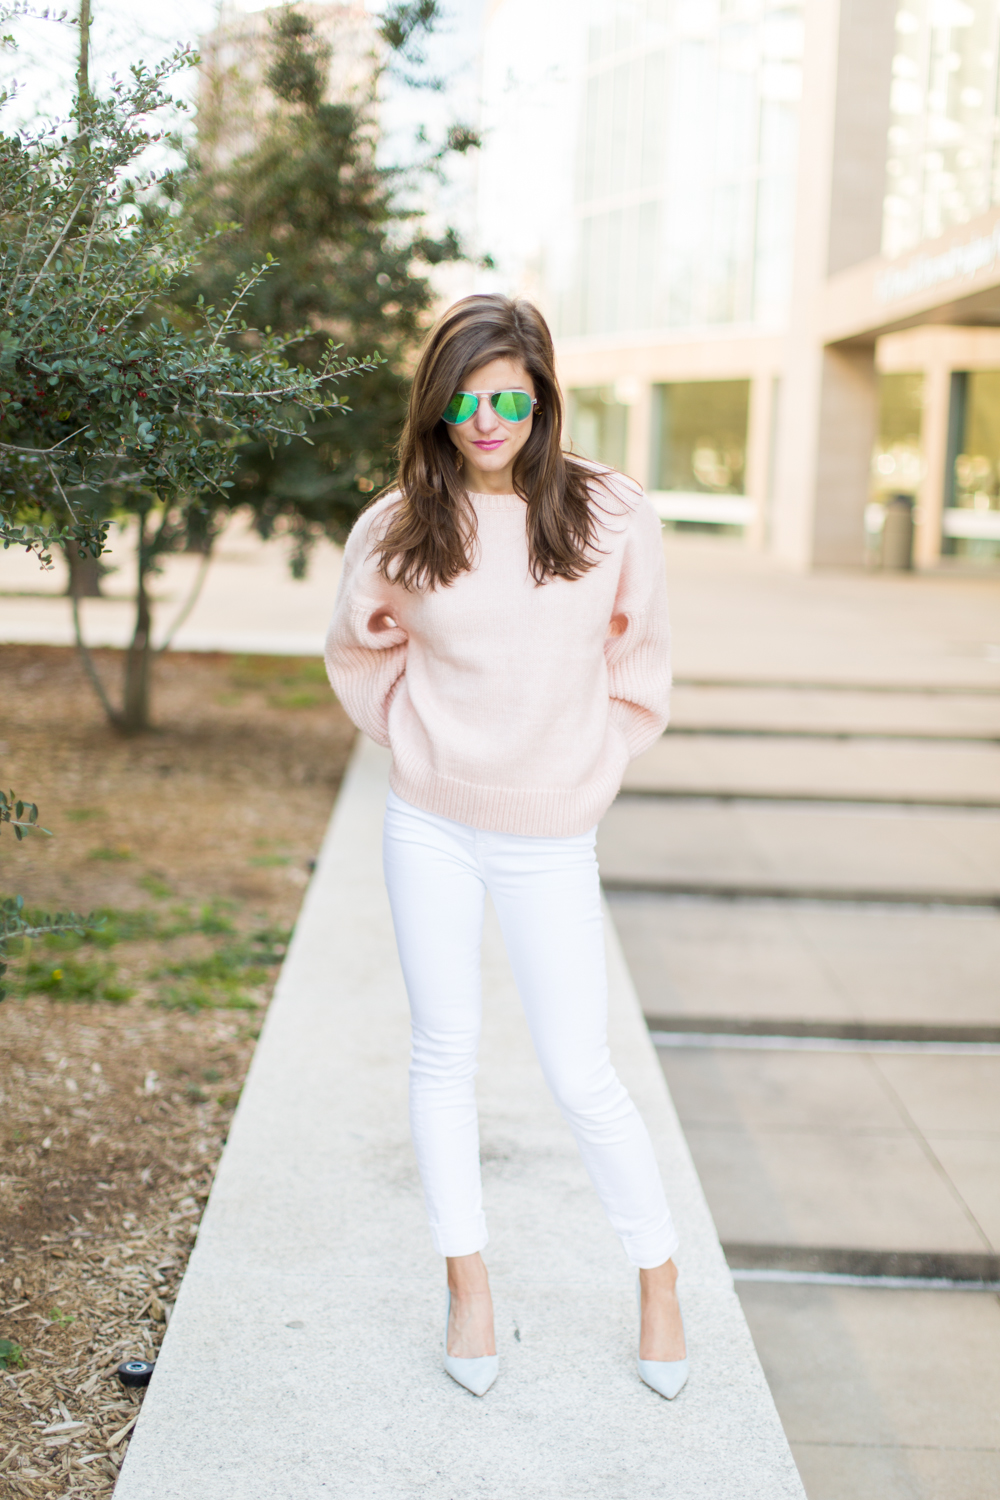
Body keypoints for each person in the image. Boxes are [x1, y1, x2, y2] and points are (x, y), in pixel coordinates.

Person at [325, 294, 687, 1400]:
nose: (486, 420)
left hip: (549, 837)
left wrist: (589, 769)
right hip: (428, 824)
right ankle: (468, 1283)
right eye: (465, 399)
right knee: (445, 1053)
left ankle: (658, 1282)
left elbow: (641, 664)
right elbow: (357, 649)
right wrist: (417, 741)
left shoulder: (610, 513)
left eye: (509, 400)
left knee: (581, 1073)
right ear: (436, 405)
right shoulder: (398, 525)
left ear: (541, 401)